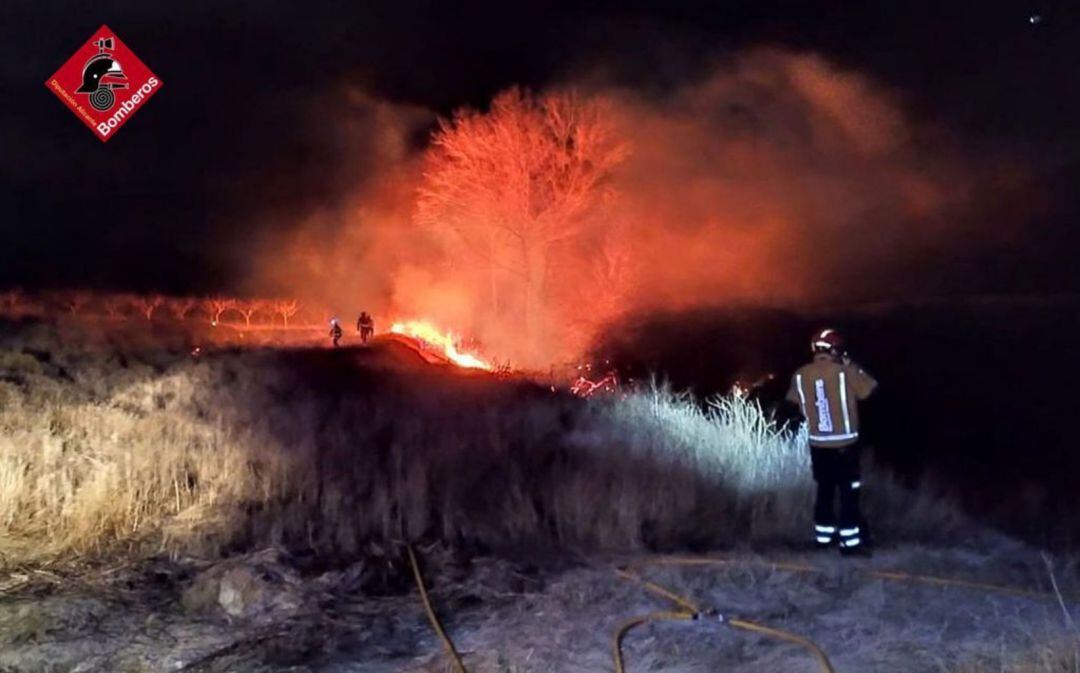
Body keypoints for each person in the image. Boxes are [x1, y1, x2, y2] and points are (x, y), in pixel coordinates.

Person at [787, 328, 877, 556]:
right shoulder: (844, 372)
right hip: (845, 446)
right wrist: (850, 365)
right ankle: (850, 543)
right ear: (835, 349)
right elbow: (868, 389)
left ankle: (823, 538)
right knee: (849, 493)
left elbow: (795, 401)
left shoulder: (800, 374)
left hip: (818, 445)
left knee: (824, 491)